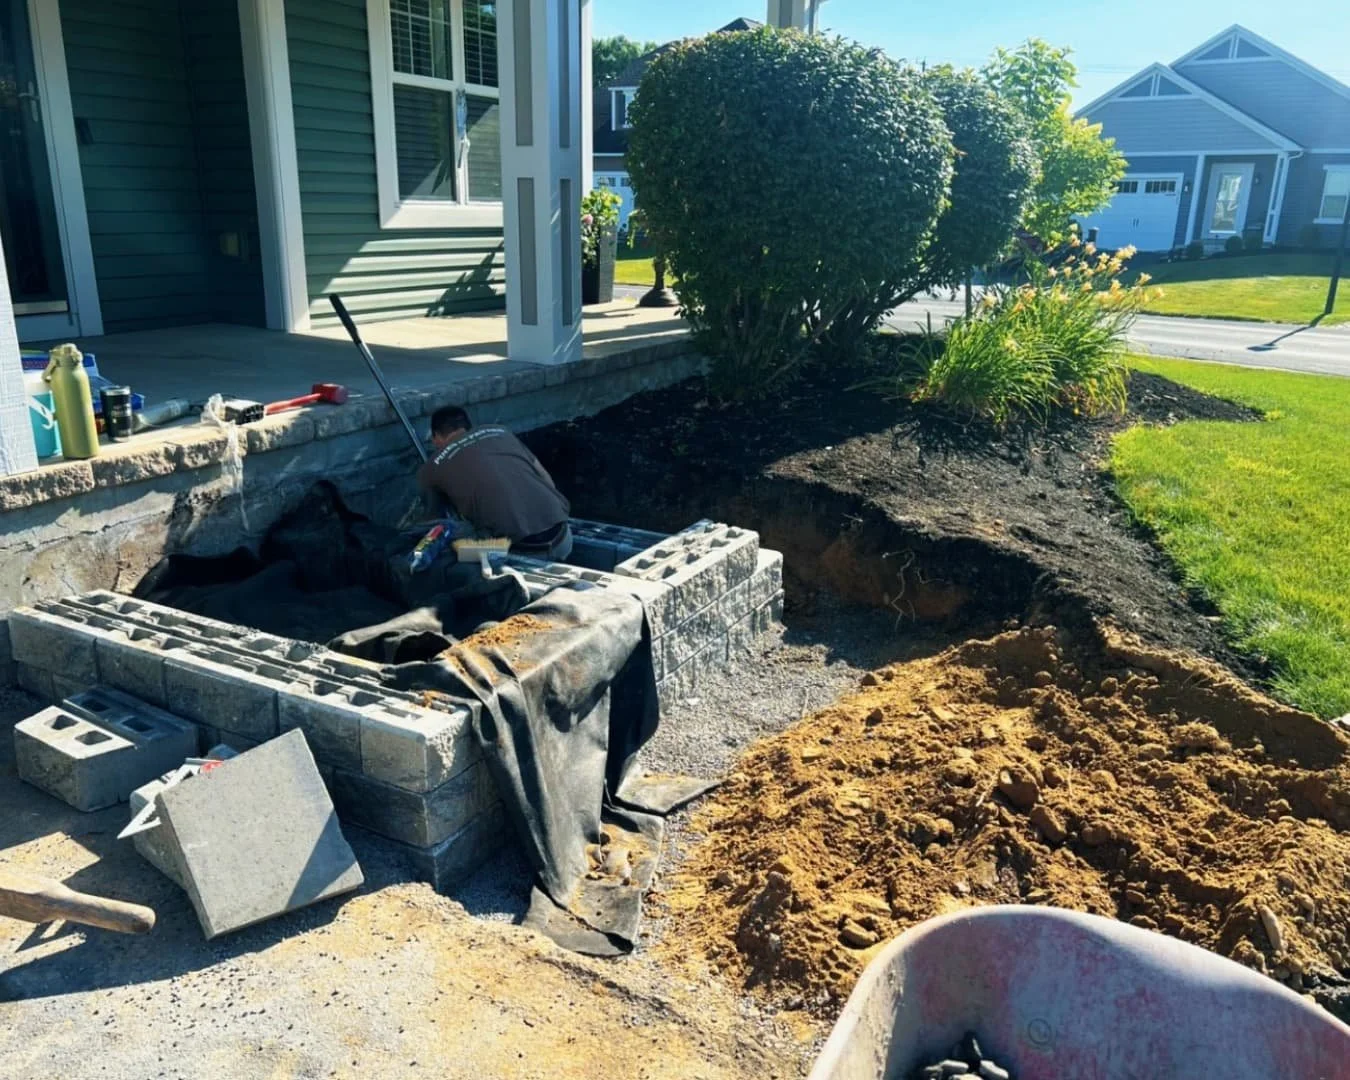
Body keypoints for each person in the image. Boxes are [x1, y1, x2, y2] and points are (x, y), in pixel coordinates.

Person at [417, 406, 573, 561]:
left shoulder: (432, 466)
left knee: (448, 550)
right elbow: (546, 479)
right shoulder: (501, 432)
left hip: (520, 552)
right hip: (563, 536)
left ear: (436, 436)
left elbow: (433, 528)